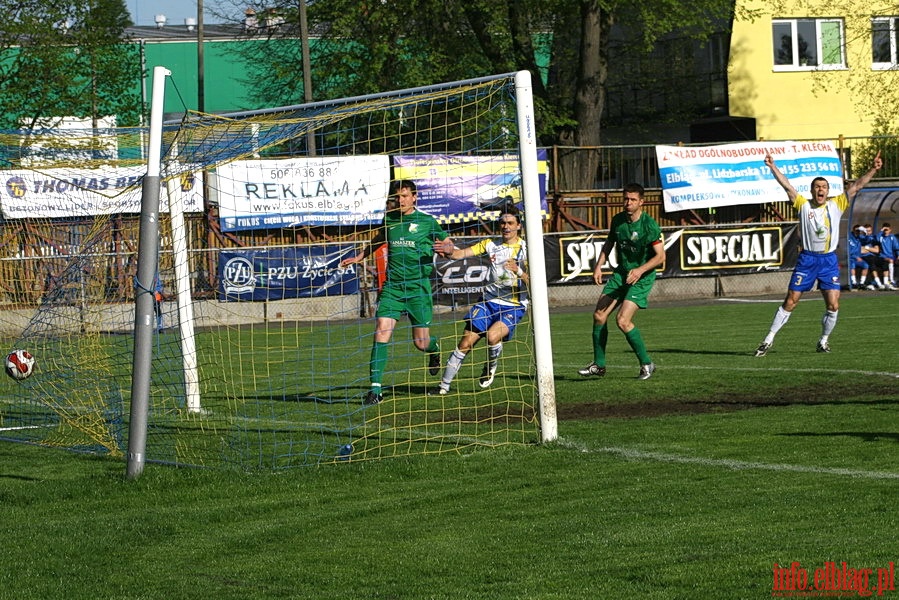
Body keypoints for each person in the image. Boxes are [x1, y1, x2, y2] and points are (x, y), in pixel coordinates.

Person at [755, 151, 882, 356]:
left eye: (824, 187)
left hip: (828, 260)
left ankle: (823, 341)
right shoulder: (803, 205)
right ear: (812, 190)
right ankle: (768, 339)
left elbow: (857, 186)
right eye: (817, 187)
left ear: (828, 191)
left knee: (833, 305)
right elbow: (787, 185)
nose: (820, 190)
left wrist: (874, 169)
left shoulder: (836, 204)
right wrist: (772, 167)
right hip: (807, 259)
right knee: (790, 301)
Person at [339, 180, 451, 406]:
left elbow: (447, 243)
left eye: (405, 196)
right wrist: (359, 257)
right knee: (381, 331)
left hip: (418, 288)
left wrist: (447, 248)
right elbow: (377, 240)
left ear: (414, 197)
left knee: (420, 342)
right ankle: (375, 390)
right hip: (393, 287)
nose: (400, 200)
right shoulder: (390, 219)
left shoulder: (427, 222)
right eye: (397, 197)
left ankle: (434, 348)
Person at [432, 205, 529, 394]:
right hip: (488, 301)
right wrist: (449, 251)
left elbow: (534, 282)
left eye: (510, 223)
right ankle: (443, 387)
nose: (506, 227)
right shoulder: (490, 244)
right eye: (502, 223)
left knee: (493, 336)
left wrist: (518, 271)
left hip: (513, 306)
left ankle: (490, 367)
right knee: (465, 343)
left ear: (518, 226)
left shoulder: (527, 249)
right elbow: (460, 254)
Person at [578, 182, 665, 380]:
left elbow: (660, 257)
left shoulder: (649, 225)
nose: (628, 203)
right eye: (626, 198)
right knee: (599, 315)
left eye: (633, 199)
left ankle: (647, 364)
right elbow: (610, 242)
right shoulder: (618, 220)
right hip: (621, 274)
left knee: (623, 321)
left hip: (641, 277)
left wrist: (639, 270)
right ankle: (599, 365)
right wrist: (599, 265)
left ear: (641, 202)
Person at [847, 224, 869, 290]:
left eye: (859, 230)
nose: (858, 232)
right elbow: (848, 250)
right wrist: (856, 257)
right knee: (852, 265)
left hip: (858, 258)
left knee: (866, 265)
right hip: (850, 258)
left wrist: (865, 233)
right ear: (853, 230)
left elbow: (867, 240)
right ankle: (854, 283)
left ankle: (862, 283)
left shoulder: (860, 237)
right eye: (856, 230)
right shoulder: (849, 237)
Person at [876, 223, 898, 289]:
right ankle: (891, 280)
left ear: (890, 230)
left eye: (887, 229)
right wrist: (881, 230)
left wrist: (898, 255)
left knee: (892, 260)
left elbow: (896, 247)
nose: (886, 231)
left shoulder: (892, 237)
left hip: (891, 256)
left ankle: (891, 281)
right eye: (884, 230)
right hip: (882, 256)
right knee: (890, 261)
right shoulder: (881, 236)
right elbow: (877, 239)